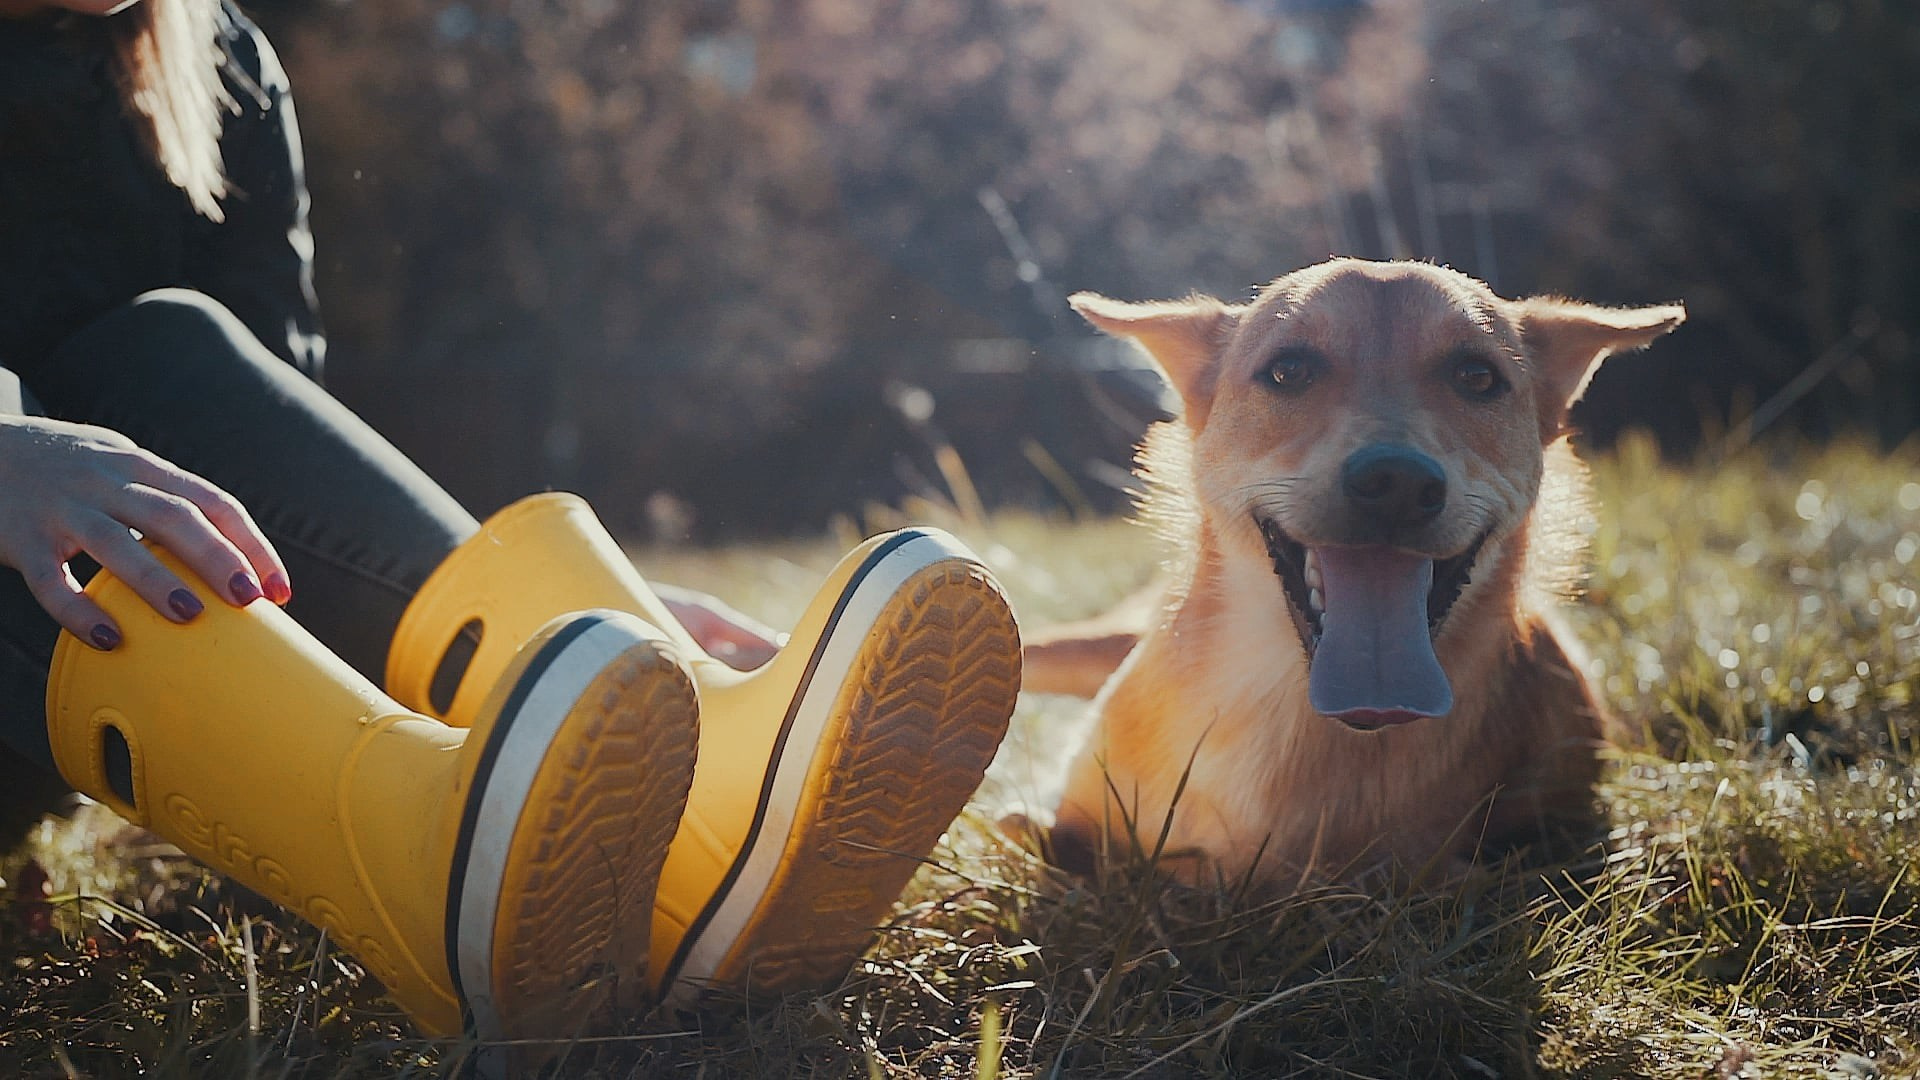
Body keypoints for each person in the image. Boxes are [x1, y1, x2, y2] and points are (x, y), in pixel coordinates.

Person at [0, 0, 1021, 1052]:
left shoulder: (214, 59)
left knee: (170, 347)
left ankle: (707, 812)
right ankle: (425, 880)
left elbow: (263, 435)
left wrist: (568, 653)